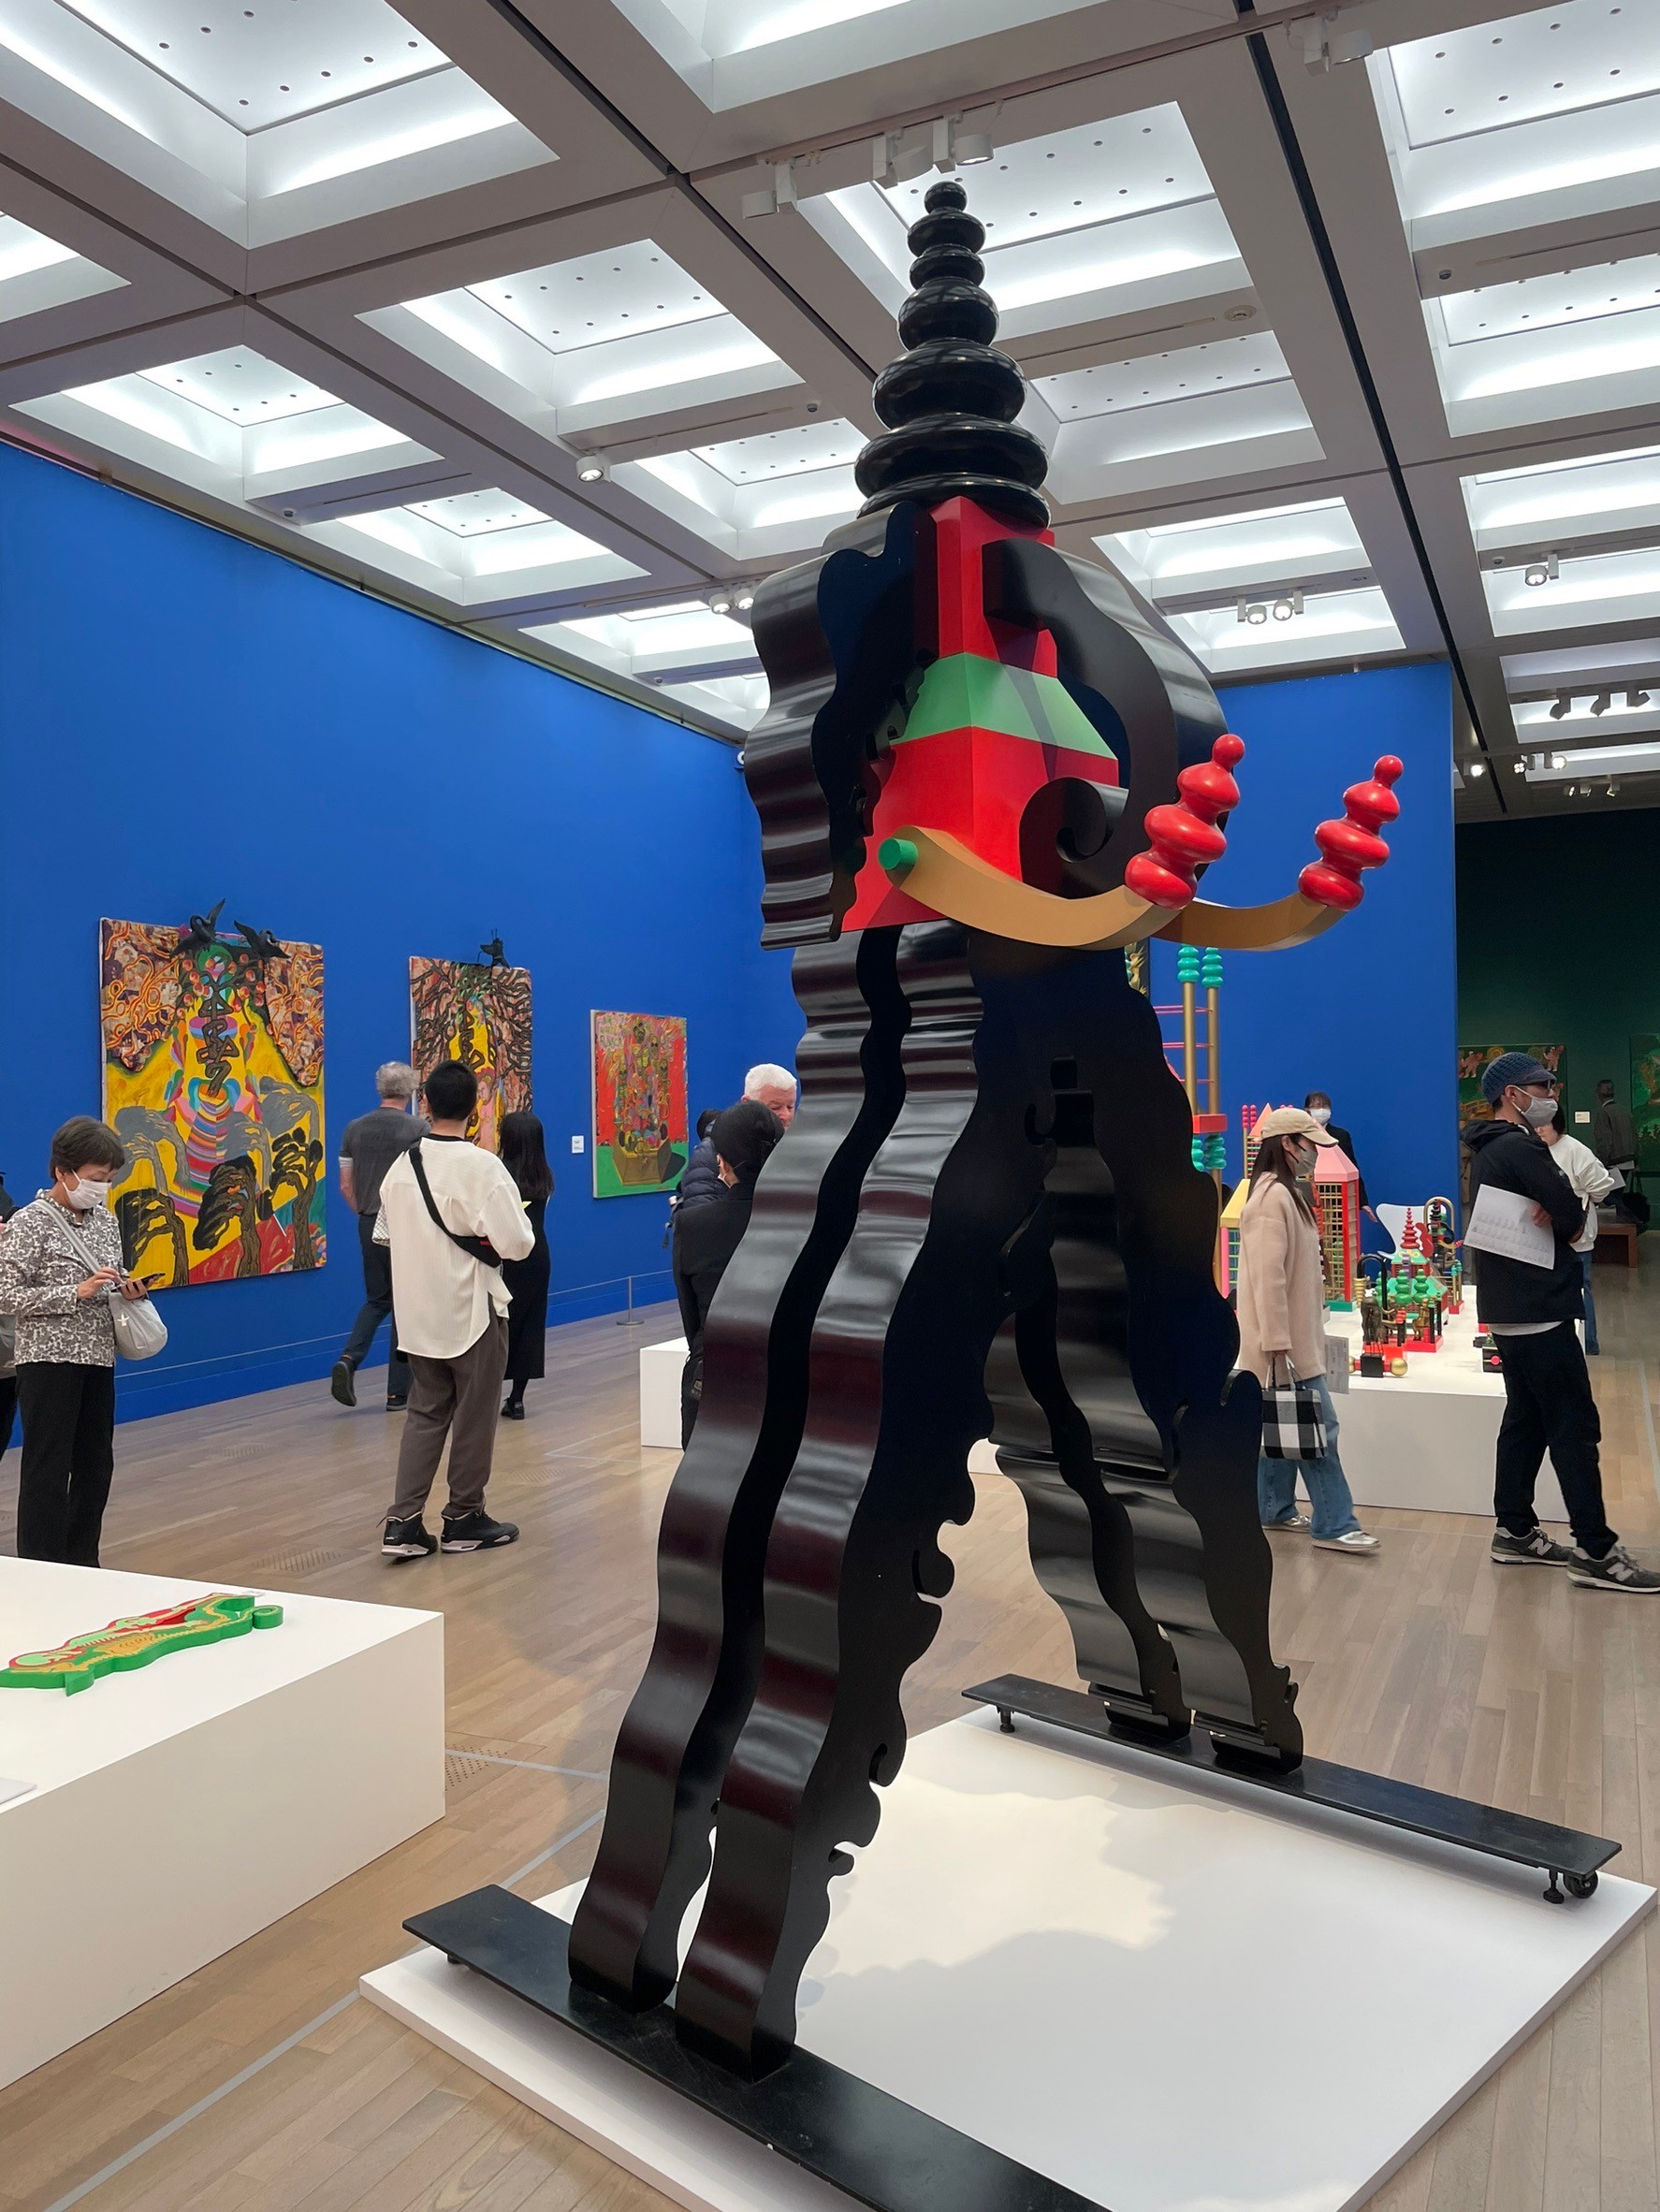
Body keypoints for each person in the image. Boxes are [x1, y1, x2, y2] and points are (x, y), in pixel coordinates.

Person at [1464, 1053, 1658, 1591]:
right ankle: (1596, 1550)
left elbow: (1560, 1209)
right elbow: (1572, 1223)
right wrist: (1567, 1205)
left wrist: (1561, 1204)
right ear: (1512, 1094)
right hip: (1541, 1308)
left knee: (1525, 1420)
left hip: (1508, 1310)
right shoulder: (1522, 1147)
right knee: (1574, 1426)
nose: (1551, 1092)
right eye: (1542, 1085)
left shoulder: (1486, 1149)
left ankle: (1514, 1530)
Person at [375, 1061, 535, 1559]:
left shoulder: (403, 1167)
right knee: (475, 1415)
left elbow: (385, 1234)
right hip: (472, 1311)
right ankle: (464, 1516)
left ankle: (403, 1523)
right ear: (476, 1107)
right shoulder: (482, 1167)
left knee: (425, 1413)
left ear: (425, 1103)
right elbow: (518, 1244)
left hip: (417, 1314)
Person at [0, 1117, 152, 1565]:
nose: (102, 1187)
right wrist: (75, 1292)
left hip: (98, 1355)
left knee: (95, 1464)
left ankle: (84, 1560)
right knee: (47, 1467)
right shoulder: (30, 1222)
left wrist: (127, 1288)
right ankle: (42, 1563)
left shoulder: (105, 1221)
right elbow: (6, 1294)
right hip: (47, 1360)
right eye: (95, 1177)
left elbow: (111, 1274)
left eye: (109, 1179)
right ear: (62, 1172)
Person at [1234, 1105, 1378, 1553]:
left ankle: (1272, 1509)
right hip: (1286, 1347)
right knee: (1319, 1431)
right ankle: (1335, 1523)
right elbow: (1268, 1279)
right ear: (1287, 1145)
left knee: (1282, 1426)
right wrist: (1277, 1342)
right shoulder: (1271, 1198)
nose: (1315, 1153)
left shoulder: (1282, 1193)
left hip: (1289, 1342)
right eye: (1309, 1144)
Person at [672, 1099, 784, 1443]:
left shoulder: (692, 1225)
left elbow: (691, 1317)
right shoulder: (800, 1221)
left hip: (712, 1370)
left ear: (722, 1162)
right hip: (785, 1372)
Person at [331, 1062, 426, 1411]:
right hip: (406, 1226)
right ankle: (397, 1393)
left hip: (369, 1222)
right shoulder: (418, 1129)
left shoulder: (354, 1129)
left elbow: (345, 1185)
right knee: (405, 1304)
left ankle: (349, 1358)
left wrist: (365, 1213)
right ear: (411, 1090)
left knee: (376, 1300)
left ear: (380, 1088)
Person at [1538, 1103, 1619, 1355]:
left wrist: (1580, 1201)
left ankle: (1588, 1342)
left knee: (1580, 1288)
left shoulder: (1575, 1150)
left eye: (1545, 1123)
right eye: (1535, 1123)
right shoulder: (1533, 1150)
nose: (1539, 1129)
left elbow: (1602, 1187)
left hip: (1576, 1236)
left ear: (1557, 1124)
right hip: (1543, 1236)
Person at [677, 1066, 797, 1211]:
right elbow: (701, 1216)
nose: (786, 1116)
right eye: (775, 1107)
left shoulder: (796, 1146)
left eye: (790, 1107)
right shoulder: (711, 1153)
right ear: (746, 1102)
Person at [498, 1110, 553, 1420]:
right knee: (530, 1325)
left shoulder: (499, 1173)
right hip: (537, 1255)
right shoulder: (543, 1174)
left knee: (497, 1327)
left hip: (503, 1256)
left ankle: (485, 1392)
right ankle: (516, 1399)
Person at [1303, 1090, 1369, 1214]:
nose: (1322, 1110)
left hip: (1335, 1195)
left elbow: (1352, 1166)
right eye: (1317, 1106)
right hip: (1307, 1194)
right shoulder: (1300, 1135)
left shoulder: (1341, 1135)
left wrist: (1363, 1202)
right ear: (1307, 1110)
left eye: (1325, 1106)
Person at [1592, 1078, 1638, 1177]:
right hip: (1629, 1160)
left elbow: (1604, 1141)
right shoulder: (1625, 1111)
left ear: (1599, 1094)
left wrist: (1602, 1162)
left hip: (1613, 1162)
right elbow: (1634, 1136)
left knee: (1611, 1187)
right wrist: (1636, 1160)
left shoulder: (1604, 1113)